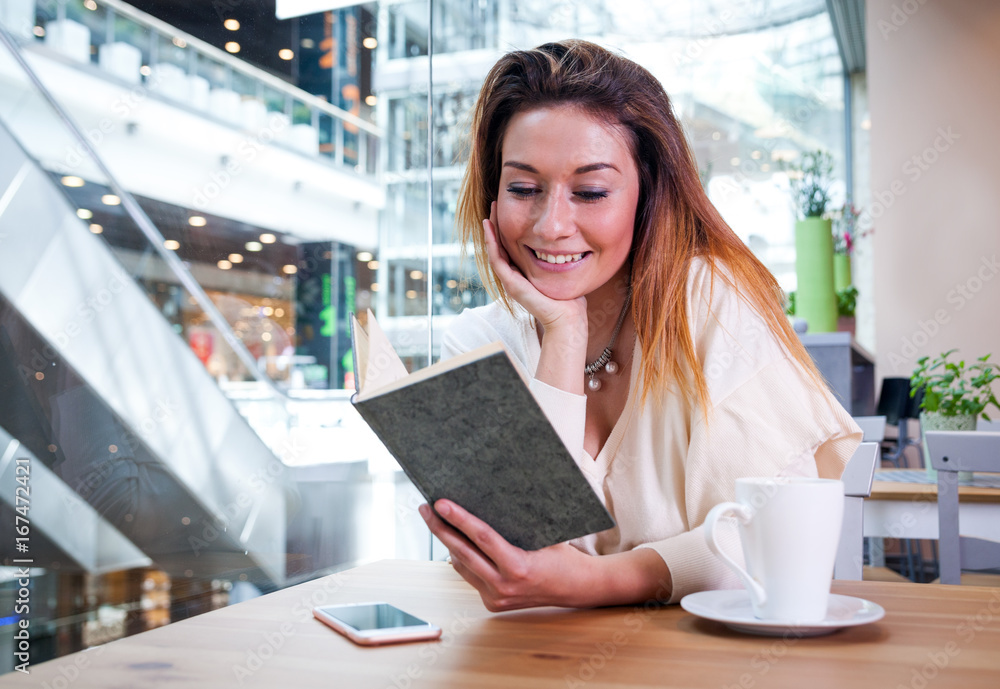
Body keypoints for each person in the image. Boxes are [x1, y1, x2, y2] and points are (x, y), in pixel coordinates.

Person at [418, 39, 861, 612]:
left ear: (646, 193)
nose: (551, 225)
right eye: (523, 189)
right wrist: (563, 334)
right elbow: (520, 557)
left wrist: (592, 581)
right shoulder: (477, 342)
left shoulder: (710, 300)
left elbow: (772, 541)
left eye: (591, 191)